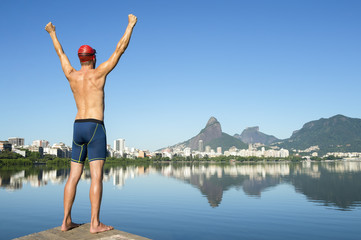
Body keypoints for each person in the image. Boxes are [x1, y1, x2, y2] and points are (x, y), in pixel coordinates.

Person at [45, 14, 137, 234]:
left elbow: (60, 53)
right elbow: (119, 49)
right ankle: (95, 223)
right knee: (96, 176)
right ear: (93, 58)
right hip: (95, 127)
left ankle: (65, 221)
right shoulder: (99, 73)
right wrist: (130, 25)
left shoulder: (71, 74)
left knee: (73, 177)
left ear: (80, 59)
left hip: (78, 127)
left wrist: (52, 33)